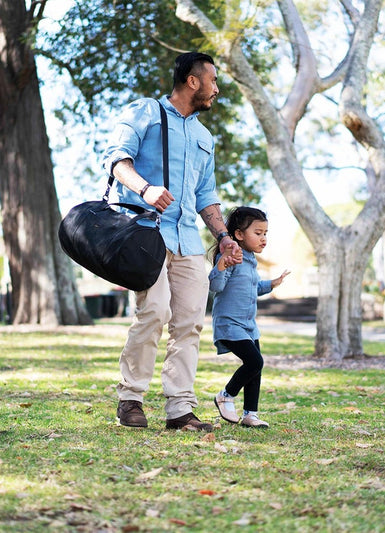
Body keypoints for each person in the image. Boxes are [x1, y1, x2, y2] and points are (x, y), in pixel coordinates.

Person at [102, 52, 243, 431]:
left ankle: (180, 409)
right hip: (146, 235)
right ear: (193, 81)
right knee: (154, 312)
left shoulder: (204, 136)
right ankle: (130, 398)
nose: (217, 89)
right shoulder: (145, 111)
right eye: (213, 80)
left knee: (190, 323)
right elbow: (116, 160)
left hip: (189, 243)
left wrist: (225, 237)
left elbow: (206, 195)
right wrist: (145, 189)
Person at [209, 207, 290, 428]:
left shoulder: (251, 260)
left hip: (248, 326)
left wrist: (272, 284)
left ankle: (250, 414)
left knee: (256, 368)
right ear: (238, 235)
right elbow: (216, 285)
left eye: (266, 233)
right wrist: (221, 264)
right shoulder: (230, 256)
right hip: (229, 323)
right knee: (255, 361)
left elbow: (252, 288)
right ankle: (225, 395)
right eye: (258, 233)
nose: (263, 238)